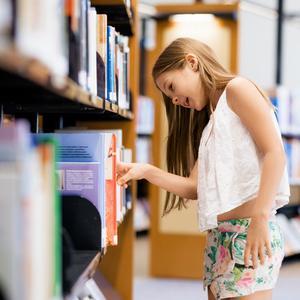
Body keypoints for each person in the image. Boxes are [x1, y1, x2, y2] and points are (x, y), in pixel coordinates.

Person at [117, 38, 290, 300]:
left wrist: (260, 218)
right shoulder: (212, 120)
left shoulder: (237, 89)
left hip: (249, 231)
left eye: (171, 86)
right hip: (219, 240)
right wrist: (146, 171)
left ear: (192, 62)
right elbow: (192, 188)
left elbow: (275, 153)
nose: (174, 99)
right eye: (168, 95)